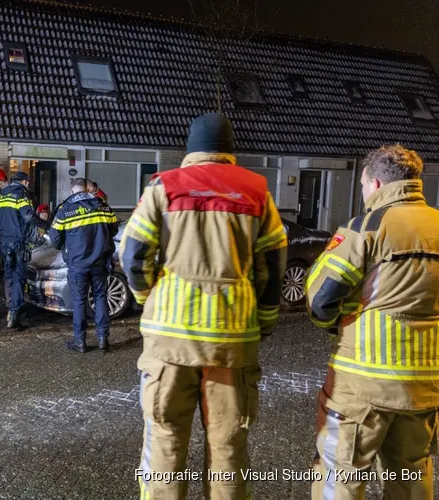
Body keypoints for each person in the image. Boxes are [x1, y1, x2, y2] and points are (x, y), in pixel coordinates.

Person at [119, 113, 287, 499]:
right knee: (228, 447)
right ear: (230, 150)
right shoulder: (257, 191)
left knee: (164, 440)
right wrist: (264, 320)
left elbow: (133, 254)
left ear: (190, 149)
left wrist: (150, 301)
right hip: (232, 340)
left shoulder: (163, 186)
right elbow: (273, 265)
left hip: (169, 342)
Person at [305, 144, 439, 500]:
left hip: (362, 383)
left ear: (376, 183)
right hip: (425, 386)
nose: (364, 193)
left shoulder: (366, 227)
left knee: (341, 473)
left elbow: (320, 299)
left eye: (363, 185)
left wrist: (338, 323)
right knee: (411, 474)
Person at [49, 178, 118, 352]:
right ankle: (103, 339)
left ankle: (80, 342)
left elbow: (55, 239)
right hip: (100, 262)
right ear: (87, 190)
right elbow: (114, 230)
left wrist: (68, 244)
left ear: (72, 192)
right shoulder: (102, 206)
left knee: (79, 302)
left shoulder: (66, 210)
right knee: (101, 297)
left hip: (78, 264)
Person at [0, 171, 47, 329]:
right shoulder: (21, 195)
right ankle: (15, 313)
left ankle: (11, 306)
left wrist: (4, 232)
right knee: (19, 276)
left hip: (4, 241)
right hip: (18, 243)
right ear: (25, 182)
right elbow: (29, 217)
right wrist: (46, 225)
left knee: (8, 274)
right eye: (27, 182)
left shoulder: (1, 196)